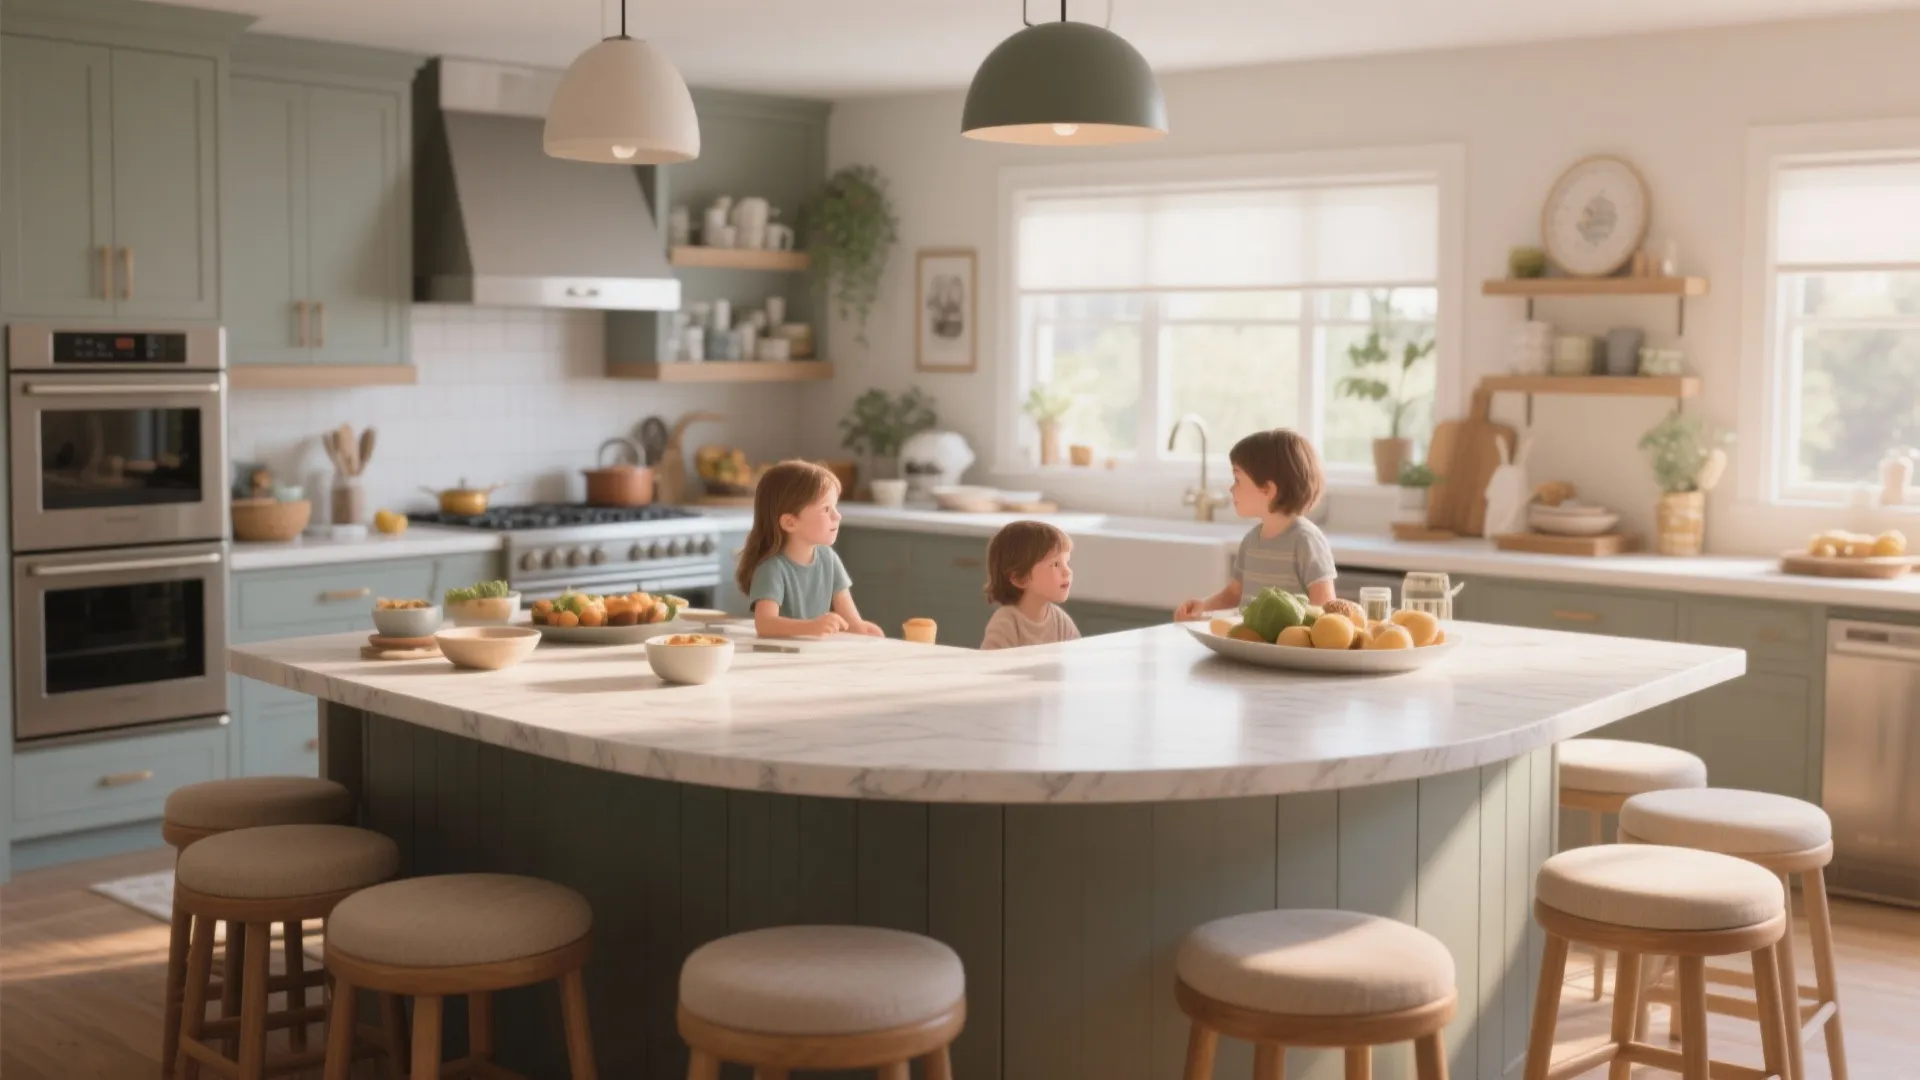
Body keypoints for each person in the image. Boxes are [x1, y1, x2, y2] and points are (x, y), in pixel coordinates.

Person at [1174, 429, 1337, 621]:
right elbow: (1235, 594)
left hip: (1289, 648)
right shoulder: (1251, 541)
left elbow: (1325, 607)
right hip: (1251, 644)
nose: (1231, 488)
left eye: (1237, 479)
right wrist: (1204, 605)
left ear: (1268, 489)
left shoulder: (1306, 540)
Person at [734, 460, 883, 639]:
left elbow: (850, 621)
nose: (837, 515)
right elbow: (765, 624)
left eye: (835, 507)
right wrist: (811, 627)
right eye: (826, 509)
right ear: (790, 522)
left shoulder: (829, 559)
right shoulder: (772, 568)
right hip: (780, 657)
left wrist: (863, 629)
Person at [980, 520, 1081, 650]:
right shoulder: (1007, 622)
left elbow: (1077, 659)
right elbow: (990, 666)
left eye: (1066, 562)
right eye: (1055, 564)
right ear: (1020, 578)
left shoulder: (1060, 621)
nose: (1068, 571)